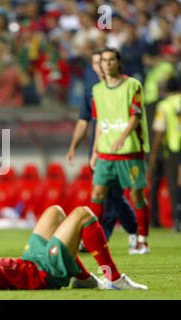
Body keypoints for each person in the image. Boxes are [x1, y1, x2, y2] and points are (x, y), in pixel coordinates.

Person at [0, 205, 147, 291]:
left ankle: (84, 278)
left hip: (30, 262)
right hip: (43, 274)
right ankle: (113, 278)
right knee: (83, 214)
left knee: (55, 212)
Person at [66, 50, 138, 247]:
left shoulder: (124, 87)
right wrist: (73, 146)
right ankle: (133, 229)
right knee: (111, 195)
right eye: (97, 63)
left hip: (117, 149)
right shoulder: (92, 90)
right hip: (96, 149)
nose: (101, 66)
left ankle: (99, 238)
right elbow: (83, 121)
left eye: (105, 61)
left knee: (109, 193)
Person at [89, 47, 151, 255]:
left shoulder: (133, 85)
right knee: (97, 193)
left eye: (111, 60)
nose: (106, 64)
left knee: (136, 195)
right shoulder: (97, 90)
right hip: (106, 152)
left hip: (129, 151)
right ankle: (96, 240)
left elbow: (135, 114)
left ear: (118, 62)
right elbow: (99, 122)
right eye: (103, 61)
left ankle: (142, 241)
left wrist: (122, 137)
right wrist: (95, 151)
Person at [149, 76, 181, 232]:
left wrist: (154, 153)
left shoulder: (164, 105)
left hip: (174, 148)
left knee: (174, 185)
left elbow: (160, 130)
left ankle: (177, 220)